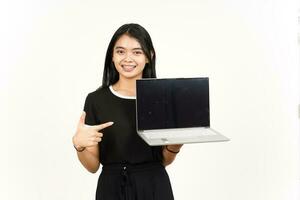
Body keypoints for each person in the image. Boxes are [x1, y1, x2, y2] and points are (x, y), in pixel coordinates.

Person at [72, 23, 183, 200]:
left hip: (154, 187)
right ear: (112, 56)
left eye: (137, 52)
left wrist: (175, 145)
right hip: (112, 188)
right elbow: (92, 166)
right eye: (121, 51)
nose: (128, 58)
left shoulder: (162, 97)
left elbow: (164, 160)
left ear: (149, 56)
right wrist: (80, 145)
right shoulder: (96, 100)